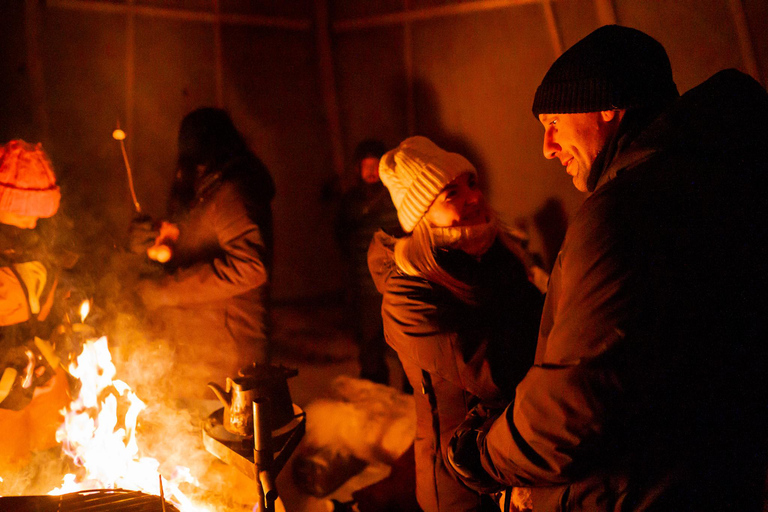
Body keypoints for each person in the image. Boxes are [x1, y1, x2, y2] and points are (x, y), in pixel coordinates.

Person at [446, 25, 768, 511]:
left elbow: (572, 410)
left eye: (555, 122)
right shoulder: (719, 176)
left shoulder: (627, 211)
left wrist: (479, 457)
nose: (547, 147)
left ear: (609, 105)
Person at [367, 136, 544, 512]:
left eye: (472, 184)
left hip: (513, 456)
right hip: (457, 482)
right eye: (451, 193)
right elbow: (495, 374)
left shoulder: (496, 255)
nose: (474, 197)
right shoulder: (409, 292)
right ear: (421, 215)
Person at [134, 108, 275, 398]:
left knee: (224, 441)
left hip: (227, 356)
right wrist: (171, 242)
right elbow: (207, 243)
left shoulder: (232, 192)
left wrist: (165, 291)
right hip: (203, 352)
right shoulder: (210, 188)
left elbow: (250, 267)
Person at [0, 140, 73, 472]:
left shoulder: (45, 238)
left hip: (46, 378)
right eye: (24, 210)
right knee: (10, 476)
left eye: (41, 211)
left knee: (61, 463)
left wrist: (65, 329)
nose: (32, 221)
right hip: (4, 392)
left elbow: (55, 296)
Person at [335, 139, 402, 385]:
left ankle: (413, 396)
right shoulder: (351, 202)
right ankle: (375, 395)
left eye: (376, 165)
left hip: (397, 283)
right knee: (371, 346)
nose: (372, 172)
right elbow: (342, 240)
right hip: (366, 287)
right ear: (358, 169)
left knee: (406, 345)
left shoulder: (396, 196)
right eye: (367, 166)